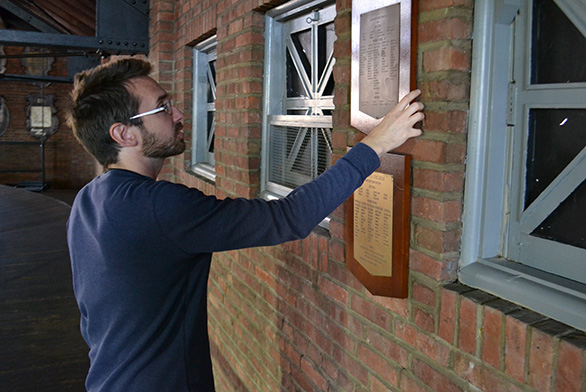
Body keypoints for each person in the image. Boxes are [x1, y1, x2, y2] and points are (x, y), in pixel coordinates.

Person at [66, 58, 424, 392]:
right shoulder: (160, 207)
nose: (177, 113)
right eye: (162, 107)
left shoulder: (87, 201)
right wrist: (377, 143)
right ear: (124, 134)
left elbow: (90, 318)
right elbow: (289, 218)